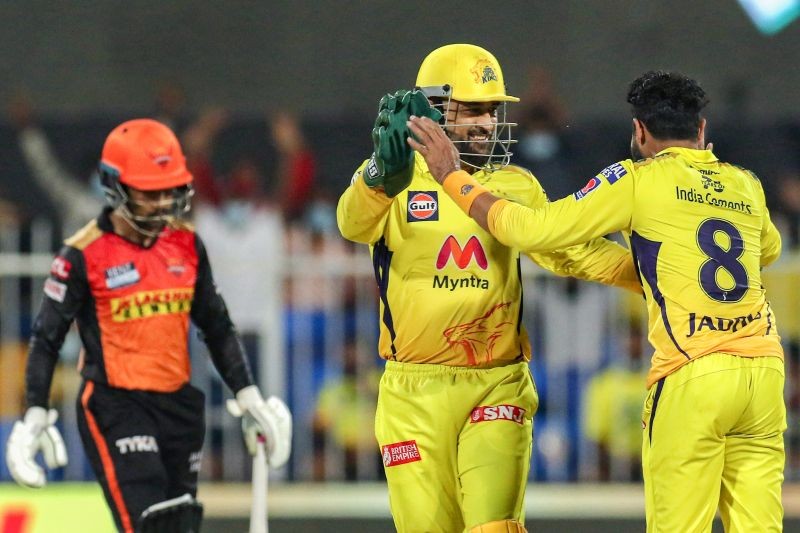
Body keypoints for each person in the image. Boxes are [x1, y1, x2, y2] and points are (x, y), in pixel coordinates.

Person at [410, 70, 785, 532]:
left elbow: (532, 231)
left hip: (694, 372)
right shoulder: (745, 182)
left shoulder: (636, 179)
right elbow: (768, 250)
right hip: (764, 372)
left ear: (639, 131)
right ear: (702, 131)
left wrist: (452, 178)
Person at [337, 43, 642, 532]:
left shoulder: (515, 186)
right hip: (412, 394)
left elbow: (572, 251)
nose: (486, 122)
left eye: (492, 110)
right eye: (473, 109)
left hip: (497, 383)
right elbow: (351, 225)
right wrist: (378, 175)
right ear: (434, 108)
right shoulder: (392, 179)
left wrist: (655, 276)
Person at [4, 119, 293, 533]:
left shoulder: (186, 243)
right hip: (115, 405)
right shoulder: (83, 253)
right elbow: (47, 338)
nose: (162, 204)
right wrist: (34, 413)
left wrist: (249, 397)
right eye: (150, 192)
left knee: (180, 524)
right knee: (152, 524)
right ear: (114, 187)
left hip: (178, 406)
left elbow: (216, 324)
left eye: (170, 191)